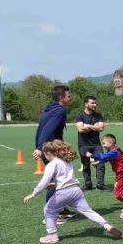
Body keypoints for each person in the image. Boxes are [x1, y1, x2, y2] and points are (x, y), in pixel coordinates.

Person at [23, 140, 122, 243]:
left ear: (48, 153)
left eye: (44, 154)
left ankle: (52, 235)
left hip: (63, 193)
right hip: (76, 191)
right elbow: (66, 179)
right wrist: (54, 184)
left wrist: (34, 193)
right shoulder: (67, 161)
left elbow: (44, 181)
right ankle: (107, 225)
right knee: (88, 211)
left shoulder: (51, 164)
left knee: (49, 210)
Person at [32, 84, 74, 220]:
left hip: (49, 149)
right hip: (51, 150)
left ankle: (61, 209)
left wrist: (39, 146)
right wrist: (40, 148)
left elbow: (39, 130)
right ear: (61, 97)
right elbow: (47, 130)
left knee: (58, 180)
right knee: (55, 182)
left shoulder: (48, 109)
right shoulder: (59, 111)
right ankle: (50, 214)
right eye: (68, 96)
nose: (70, 98)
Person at [75, 95, 107, 191]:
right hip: (83, 144)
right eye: (92, 103)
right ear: (86, 104)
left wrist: (87, 126)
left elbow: (101, 128)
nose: (95, 105)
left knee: (101, 162)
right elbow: (80, 129)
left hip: (96, 144)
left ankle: (100, 185)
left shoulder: (98, 115)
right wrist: (94, 126)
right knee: (86, 165)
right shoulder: (80, 115)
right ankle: (88, 184)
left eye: (95, 103)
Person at [87, 134, 123, 203]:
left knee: (118, 193)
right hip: (121, 172)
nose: (103, 145)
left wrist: (92, 155)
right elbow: (107, 159)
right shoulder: (112, 150)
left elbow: (103, 157)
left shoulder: (114, 152)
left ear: (110, 143)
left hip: (122, 173)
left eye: (104, 143)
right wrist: (98, 162)